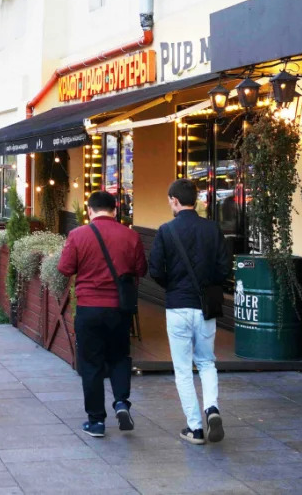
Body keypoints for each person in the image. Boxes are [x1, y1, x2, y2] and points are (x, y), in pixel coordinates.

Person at [57, 191, 148, 438]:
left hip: (89, 308)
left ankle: (96, 421)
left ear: (89, 210)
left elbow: (64, 268)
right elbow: (141, 269)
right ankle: (121, 402)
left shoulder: (77, 235)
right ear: (115, 210)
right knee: (119, 356)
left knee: (92, 363)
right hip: (119, 308)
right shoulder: (131, 235)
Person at [148, 178, 230, 445]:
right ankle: (212, 409)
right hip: (205, 307)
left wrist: (173, 286)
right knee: (206, 362)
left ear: (174, 200)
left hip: (178, 306)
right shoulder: (212, 229)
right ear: (195, 200)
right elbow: (224, 269)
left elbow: (156, 270)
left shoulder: (166, 230)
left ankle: (195, 428)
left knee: (183, 369)